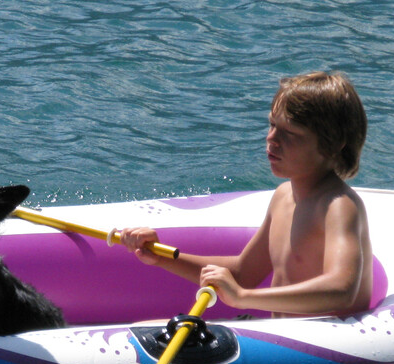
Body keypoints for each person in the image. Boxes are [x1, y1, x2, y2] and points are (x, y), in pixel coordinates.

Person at [121, 71, 372, 318]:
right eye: (273, 125)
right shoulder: (283, 197)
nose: (271, 138)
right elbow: (242, 273)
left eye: (290, 133)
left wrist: (242, 297)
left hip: (330, 347)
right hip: (285, 337)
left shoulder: (337, 207)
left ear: (334, 143)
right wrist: (161, 257)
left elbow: (341, 289)